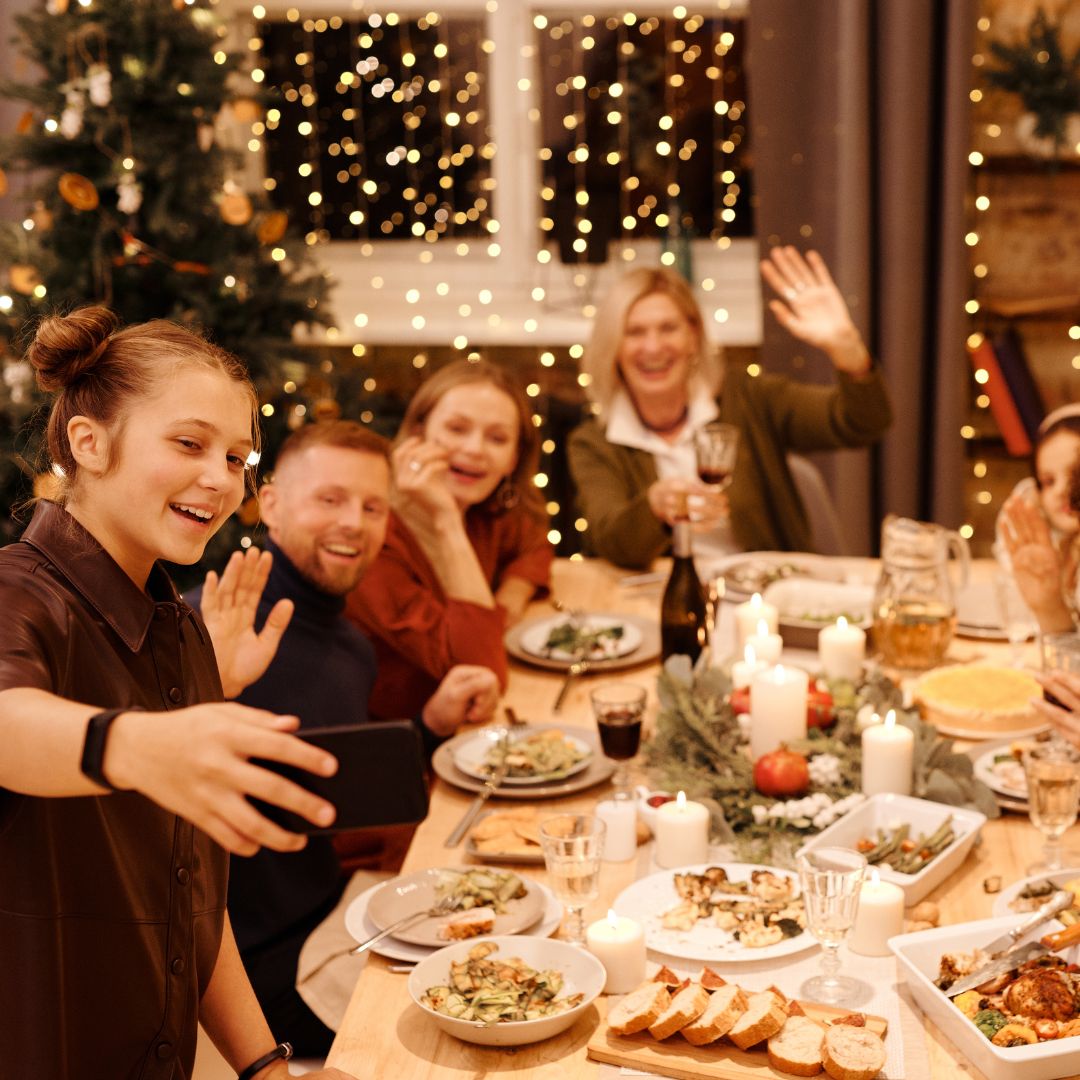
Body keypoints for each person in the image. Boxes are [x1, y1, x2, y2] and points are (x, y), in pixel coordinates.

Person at [0, 307, 352, 1080]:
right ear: (89, 443)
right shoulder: (17, 594)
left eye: (237, 457)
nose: (221, 479)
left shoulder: (182, 630)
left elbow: (188, 900)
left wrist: (263, 1067)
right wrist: (136, 742)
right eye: (189, 444)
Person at [188, 419, 500, 1055]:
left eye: (372, 507)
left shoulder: (350, 645)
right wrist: (208, 690)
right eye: (329, 499)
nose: (353, 523)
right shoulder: (209, 629)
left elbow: (327, 773)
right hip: (251, 968)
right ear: (271, 505)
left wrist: (429, 725)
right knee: (475, 1021)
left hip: (337, 911)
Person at [567, 249, 893, 568]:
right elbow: (610, 542)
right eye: (634, 332)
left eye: (668, 328)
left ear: (693, 336)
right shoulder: (593, 443)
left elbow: (863, 423)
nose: (653, 347)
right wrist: (654, 508)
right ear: (613, 346)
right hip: (663, 593)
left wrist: (847, 350)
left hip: (766, 591)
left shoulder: (750, 398)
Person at [346, 360, 553, 719]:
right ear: (418, 432)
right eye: (457, 429)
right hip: (403, 735)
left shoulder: (484, 509)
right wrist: (447, 522)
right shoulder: (370, 534)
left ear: (513, 459)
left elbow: (535, 544)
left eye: (497, 438)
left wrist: (511, 596)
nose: (475, 449)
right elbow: (481, 672)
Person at [996, 405, 1080, 634]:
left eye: (1075, 475)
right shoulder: (1057, 553)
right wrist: (1049, 607)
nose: (1062, 490)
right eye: (1049, 481)